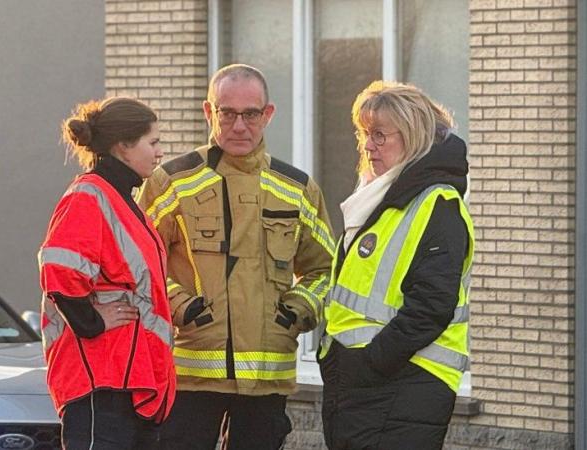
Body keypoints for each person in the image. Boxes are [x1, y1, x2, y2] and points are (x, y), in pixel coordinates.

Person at [138, 63, 335, 450]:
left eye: (251, 114)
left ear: (268, 114)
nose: (239, 125)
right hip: (191, 372)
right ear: (209, 112)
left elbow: (325, 269)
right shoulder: (171, 183)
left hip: (267, 377)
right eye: (227, 113)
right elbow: (141, 263)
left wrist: (295, 312)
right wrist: (182, 307)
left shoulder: (298, 188)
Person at [319, 81, 475, 450]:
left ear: (412, 136)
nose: (367, 146)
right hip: (368, 386)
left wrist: (370, 364)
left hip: (404, 385)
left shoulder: (437, 203)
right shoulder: (381, 199)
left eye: (378, 135)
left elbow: (431, 307)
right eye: (363, 134)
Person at [38, 97, 175, 450]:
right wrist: (91, 321)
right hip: (102, 381)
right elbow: (60, 268)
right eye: (153, 142)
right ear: (123, 146)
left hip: (129, 380)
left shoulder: (118, 199)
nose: (159, 152)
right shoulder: (89, 196)